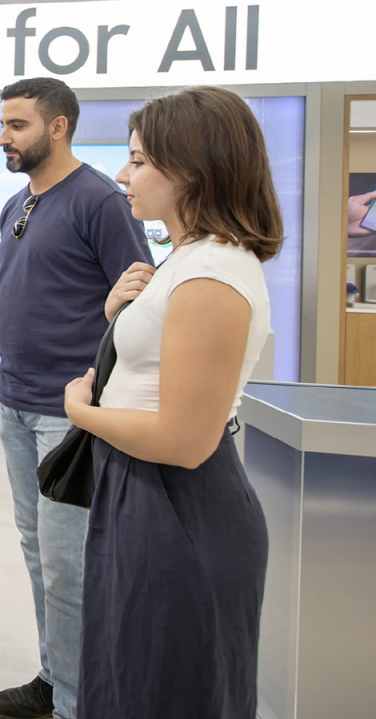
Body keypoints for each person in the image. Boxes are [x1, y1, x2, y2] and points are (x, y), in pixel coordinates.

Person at [64, 86, 282, 719]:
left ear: (192, 170)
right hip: (145, 492)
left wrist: (81, 412)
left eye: (138, 160)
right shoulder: (186, 261)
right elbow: (149, 376)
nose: (123, 175)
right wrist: (116, 317)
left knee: (161, 683)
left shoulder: (211, 273)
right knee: (130, 671)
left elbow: (186, 441)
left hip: (178, 504)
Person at [0, 78, 151, 719]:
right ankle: (55, 680)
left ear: (57, 127)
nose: (5, 136)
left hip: (69, 417)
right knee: (38, 551)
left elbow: (138, 302)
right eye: (3, 123)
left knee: (69, 567)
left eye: (18, 125)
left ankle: (79, 704)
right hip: (14, 403)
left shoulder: (101, 202)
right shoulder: (16, 204)